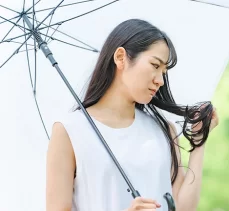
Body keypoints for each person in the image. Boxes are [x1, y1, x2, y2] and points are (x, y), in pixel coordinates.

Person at [46, 19, 219, 211]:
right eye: (155, 65)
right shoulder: (70, 130)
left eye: (164, 72)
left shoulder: (163, 130)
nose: (161, 80)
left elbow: (183, 207)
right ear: (121, 58)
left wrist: (199, 142)